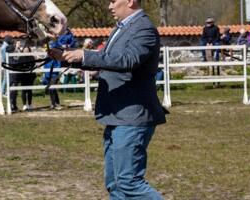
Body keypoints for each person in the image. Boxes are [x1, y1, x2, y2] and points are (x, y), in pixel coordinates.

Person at [50, 0, 166, 198]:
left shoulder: (144, 28)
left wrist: (84, 55)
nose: (110, 6)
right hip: (115, 115)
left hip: (132, 117)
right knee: (114, 184)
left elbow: (128, 60)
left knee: (130, 184)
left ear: (130, 1)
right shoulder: (121, 28)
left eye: (113, 1)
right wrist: (68, 57)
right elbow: (105, 59)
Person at [18, 46, 37, 111]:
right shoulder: (20, 57)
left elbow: (33, 64)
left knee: (29, 91)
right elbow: (19, 66)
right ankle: (24, 105)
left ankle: (30, 104)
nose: (26, 51)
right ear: (23, 51)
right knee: (23, 91)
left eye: (27, 50)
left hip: (30, 76)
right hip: (23, 76)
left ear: (29, 50)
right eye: (25, 50)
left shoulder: (32, 57)